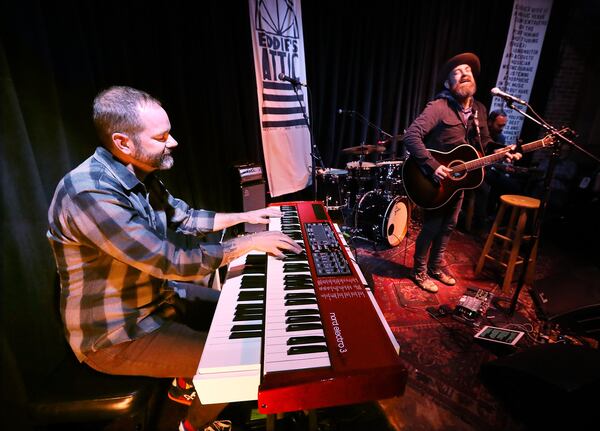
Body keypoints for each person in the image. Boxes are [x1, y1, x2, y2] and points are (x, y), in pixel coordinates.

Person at [46, 86, 302, 431]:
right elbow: (172, 262)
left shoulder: (137, 172)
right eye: (162, 136)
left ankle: (184, 382)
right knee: (238, 362)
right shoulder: (89, 193)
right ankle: (191, 426)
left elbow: (186, 217)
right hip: (116, 334)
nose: (174, 142)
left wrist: (247, 218)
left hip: (158, 302)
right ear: (123, 142)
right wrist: (248, 244)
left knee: (248, 307)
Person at [403, 53, 521, 293]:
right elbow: (411, 136)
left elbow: (485, 143)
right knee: (433, 226)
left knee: (449, 226)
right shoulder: (439, 107)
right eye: (457, 72)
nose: (464, 73)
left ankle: (436, 267)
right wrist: (434, 166)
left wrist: (503, 151)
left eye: (467, 70)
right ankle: (420, 270)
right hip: (433, 180)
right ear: (449, 84)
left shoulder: (479, 109)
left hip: (459, 180)